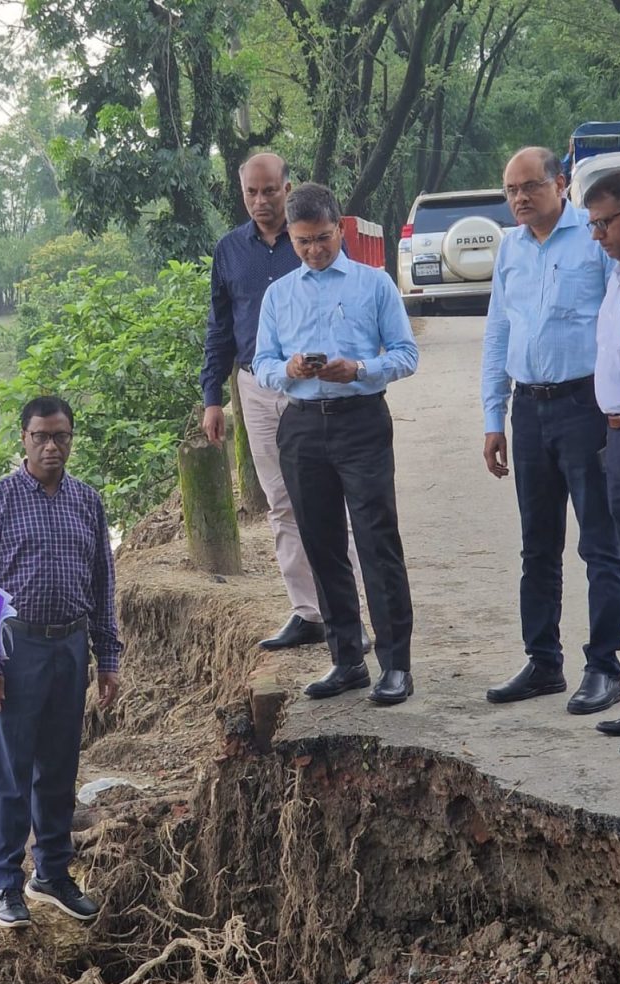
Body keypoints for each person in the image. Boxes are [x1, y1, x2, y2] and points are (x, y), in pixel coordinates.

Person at [253, 183, 418, 703]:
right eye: (302, 242)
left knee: (376, 540)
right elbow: (261, 363)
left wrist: (361, 369)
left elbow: (407, 354)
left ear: (340, 229)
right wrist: (289, 369)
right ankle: (347, 659)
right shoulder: (279, 294)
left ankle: (397, 665)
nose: (314, 250)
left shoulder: (374, 285)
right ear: (291, 237)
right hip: (301, 423)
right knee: (321, 544)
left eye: (322, 238)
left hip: (361, 419)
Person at [200, 152, 369, 653]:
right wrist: (213, 397)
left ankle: (352, 613)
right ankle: (307, 611)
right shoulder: (230, 250)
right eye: (250, 192)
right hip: (256, 386)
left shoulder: (310, 244)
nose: (260, 201)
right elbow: (220, 328)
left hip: (315, 390)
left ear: (287, 187)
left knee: (332, 502)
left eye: (269, 190)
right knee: (281, 503)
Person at [481, 146, 620, 714]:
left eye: (529, 186)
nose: (519, 198)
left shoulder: (594, 239)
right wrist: (493, 416)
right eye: (510, 189)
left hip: (587, 407)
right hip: (528, 409)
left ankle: (603, 667)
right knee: (537, 545)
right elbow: (498, 330)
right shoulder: (510, 249)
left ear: (559, 183)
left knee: (600, 543)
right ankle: (543, 661)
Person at [0, 396, 121, 928]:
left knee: (60, 768)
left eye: (60, 435)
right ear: (22, 438)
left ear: (71, 438)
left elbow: (103, 583)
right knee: (11, 772)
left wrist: (107, 656)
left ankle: (53, 874)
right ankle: (5, 884)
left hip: (71, 646)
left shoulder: (86, 500)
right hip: (15, 647)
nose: (50, 445)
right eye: (40, 435)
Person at [583, 171, 620, 753]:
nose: (597, 234)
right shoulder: (619, 278)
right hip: (619, 440)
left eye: (605, 222)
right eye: (593, 224)